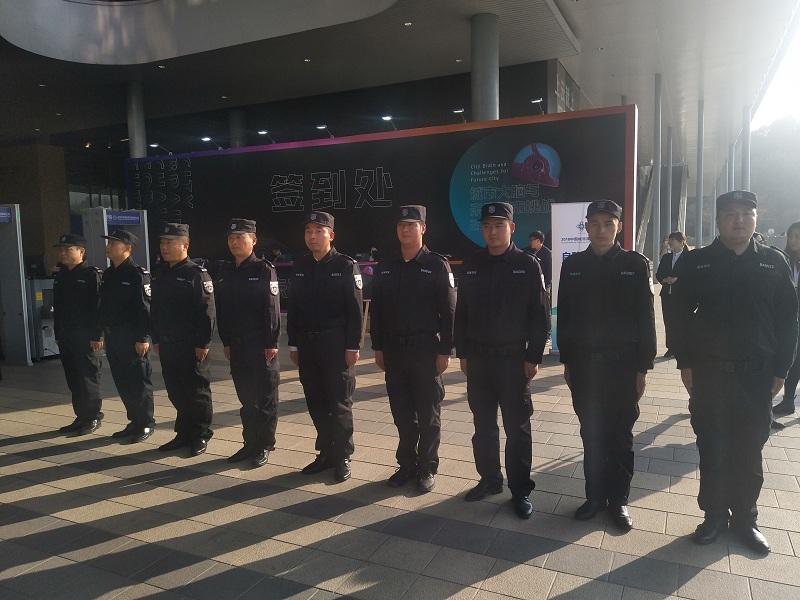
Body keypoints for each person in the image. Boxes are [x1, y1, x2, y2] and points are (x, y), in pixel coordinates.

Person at [672, 190, 798, 554]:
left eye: (747, 213)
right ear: (718, 220)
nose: (739, 219)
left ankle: (745, 518)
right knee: (711, 446)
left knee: (749, 449)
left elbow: (788, 320)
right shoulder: (698, 262)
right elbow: (678, 315)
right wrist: (685, 362)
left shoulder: (773, 262)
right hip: (709, 375)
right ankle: (713, 516)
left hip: (756, 377)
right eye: (730, 213)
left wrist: (782, 369)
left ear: (756, 218)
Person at [557, 199, 656, 532]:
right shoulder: (573, 265)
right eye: (595, 223)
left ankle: (619, 500)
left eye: (608, 224)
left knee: (620, 436)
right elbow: (565, 316)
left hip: (623, 368)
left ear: (619, 227)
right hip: (585, 367)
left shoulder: (634, 264)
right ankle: (595, 497)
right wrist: (567, 361)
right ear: (586, 227)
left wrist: (643, 367)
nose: (601, 230)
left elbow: (646, 318)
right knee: (592, 434)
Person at [454, 202, 549, 519]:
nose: (492, 231)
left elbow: (539, 315)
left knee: (517, 429)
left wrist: (533, 357)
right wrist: (462, 353)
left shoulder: (527, 264)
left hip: (513, 360)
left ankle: (520, 490)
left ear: (511, 228)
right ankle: (490, 479)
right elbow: (462, 314)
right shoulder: (472, 264)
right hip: (478, 360)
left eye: (498, 225)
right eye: (487, 226)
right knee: (483, 426)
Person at [370, 205, 455, 493]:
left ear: (423, 228)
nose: (405, 229)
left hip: (425, 350)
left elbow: (449, 312)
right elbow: (377, 310)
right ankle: (406, 464)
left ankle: (427, 467)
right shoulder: (386, 265)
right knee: (402, 413)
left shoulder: (436, 265)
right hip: (394, 350)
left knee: (428, 413)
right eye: (401, 225)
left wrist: (445, 351)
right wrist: (377, 347)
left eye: (412, 224)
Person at [288, 211, 363, 482]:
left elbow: (355, 311)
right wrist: (293, 344)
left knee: (339, 402)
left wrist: (353, 346)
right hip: (307, 344)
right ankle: (326, 452)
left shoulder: (345, 265)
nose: (312, 236)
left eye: (318, 231)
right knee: (316, 401)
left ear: (331, 235)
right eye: (308, 231)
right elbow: (293, 309)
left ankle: (342, 455)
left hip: (335, 344)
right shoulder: (300, 266)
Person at [215, 218, 281, 468]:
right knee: (246, 399)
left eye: (240, 237)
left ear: (253, 240)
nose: (234, 242)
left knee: (265, 399)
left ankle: (264, 444)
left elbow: (271, 309)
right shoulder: (225, 271)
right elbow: (222, 310)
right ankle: (249, 443)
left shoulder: (264, 269)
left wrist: (271, 342)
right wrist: (226, 341)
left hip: (260, 345)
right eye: (231, 238)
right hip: (237, 345)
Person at [150, 223, 216, 457]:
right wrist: (156, 338)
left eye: (170, 243)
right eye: (162, 242)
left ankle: (200, 434)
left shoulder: (196, 274)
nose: (164, 247)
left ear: (185, 245)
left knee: (197, 392)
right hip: (168, 344)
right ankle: (184, 433)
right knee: (176, 391)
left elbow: (207, 312)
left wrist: (203, 343)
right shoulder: (160, 273)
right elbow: (155, 310)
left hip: (190, 346)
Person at [99, 229, 155, 443]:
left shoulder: (137, 274)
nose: (109, 247)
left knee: (138, 383)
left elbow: (145, 309)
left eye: (114, 243)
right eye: (108, 243)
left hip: (132, 339)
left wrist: (143, 337)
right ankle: (134, 421)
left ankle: (146, 423)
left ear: (128, 248)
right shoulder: (108, 274)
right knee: (122, 382)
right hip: (113, 338)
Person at [52, 233, 104, 435]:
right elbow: (59, 307)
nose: (63, 253)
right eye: (61, 250)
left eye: (68, 249)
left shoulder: (91, 274)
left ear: (81, 251)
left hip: (86, 337)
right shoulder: (61, 275)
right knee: (73, 379)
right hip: (67, 336)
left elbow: (98, 307)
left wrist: (97, 335)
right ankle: (81, 416)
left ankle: (93, 417)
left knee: (88, 378)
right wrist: (58, 333)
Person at [773, 221, 800, 417]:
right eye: (790, 236)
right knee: (792, 359)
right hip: (788, 318)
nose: (793, 240)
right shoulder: (783, 259)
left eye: (797, 237)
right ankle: (788, 400)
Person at [654, 231, 689, 358]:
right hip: (667, 295)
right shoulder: (666, 258)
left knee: (681, 321)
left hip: (682, 295)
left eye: (672, 239)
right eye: (669, 239)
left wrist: (677, 279)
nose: (669, 242)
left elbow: (692, 275)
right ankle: (671, 347)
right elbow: (659, 274)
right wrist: (664, 279)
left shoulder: (689, 257)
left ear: (681, 241)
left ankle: (682, 347)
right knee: (668, 321)